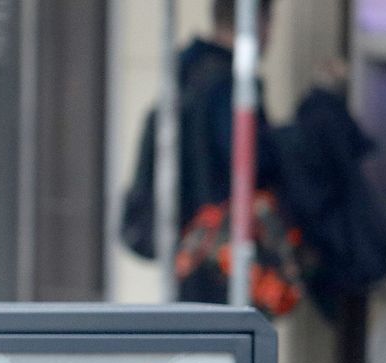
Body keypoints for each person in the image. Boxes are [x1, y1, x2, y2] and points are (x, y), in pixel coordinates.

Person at [119, 0, 287, 305]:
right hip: (219, 254)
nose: (271, 39)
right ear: (257, 21)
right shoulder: (228, 87)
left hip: (188, 248)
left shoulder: (186, 73)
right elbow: (249, 161)